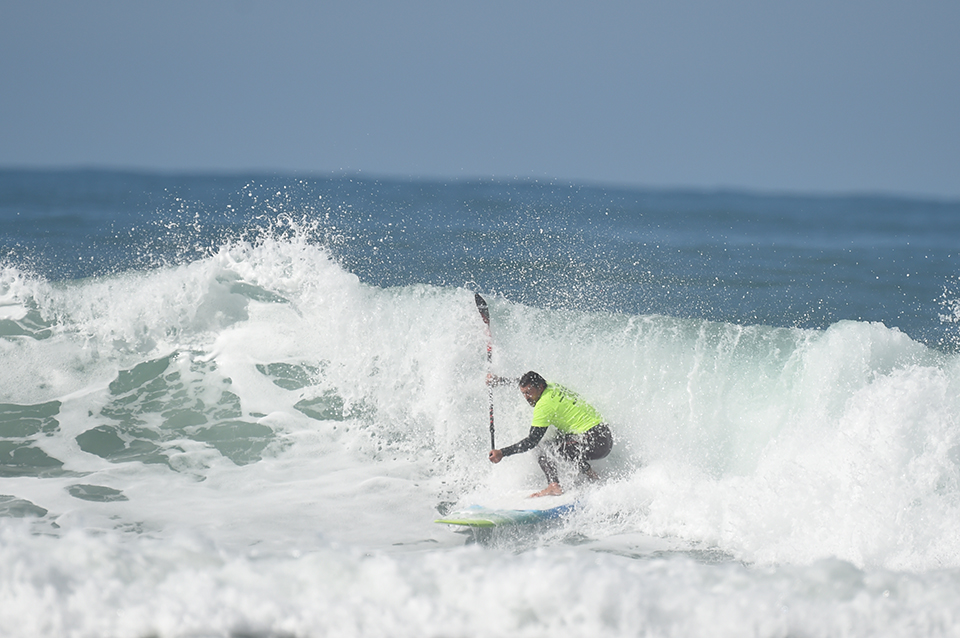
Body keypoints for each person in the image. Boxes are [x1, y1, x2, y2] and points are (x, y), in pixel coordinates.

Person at [487, 371, 613, 497]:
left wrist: (502, 453)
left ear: (540, 387)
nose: (526, 397)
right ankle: (590, 474)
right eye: (524, 393)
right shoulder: (551, 385)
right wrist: (500, 381)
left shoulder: (544, 405)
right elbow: (525, 381)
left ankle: (553, 485)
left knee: (542, 447)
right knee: (560, 438)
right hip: (603, 435)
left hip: (594, 442)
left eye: (529, 392)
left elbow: (531, 441)